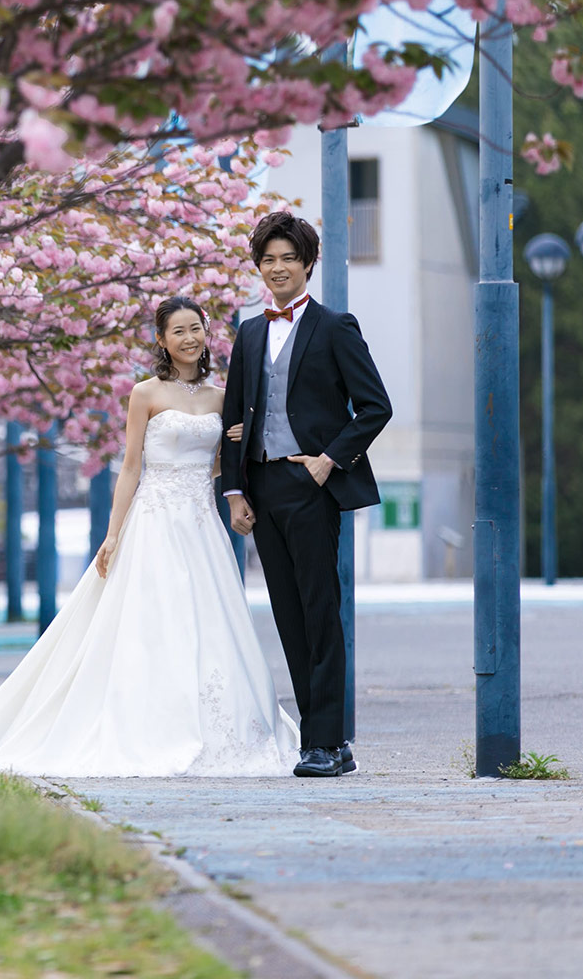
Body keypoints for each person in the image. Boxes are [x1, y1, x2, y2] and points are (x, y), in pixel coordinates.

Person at [0, 295, 297, 779]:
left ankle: (219, 724)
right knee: (153, 619)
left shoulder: (219, 397)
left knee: (210, 619)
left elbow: (213, 465)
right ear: (161, 340)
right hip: (153, 522)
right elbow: (132, 467)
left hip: (200, 524)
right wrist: (113, 535)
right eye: (179, 331)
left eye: (196, 328)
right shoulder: (145, 393)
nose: (190, 338)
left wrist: (227, 458)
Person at [219, 210, 392, 778]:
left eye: (287, 259)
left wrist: (327, 460)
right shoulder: (247, 333)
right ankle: (323, 740)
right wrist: (235, 490)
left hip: (309, 484)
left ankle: (324, 744)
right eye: (267, 260)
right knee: (289, 617)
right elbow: (233, 420)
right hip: (263, 488)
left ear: (307, 264)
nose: (277, 269)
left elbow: (375, 407)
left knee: (321, 613)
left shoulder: (336, 326)